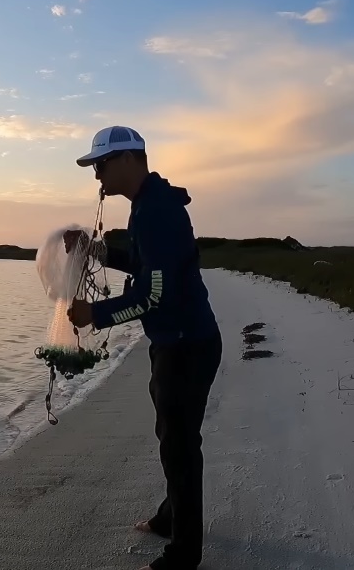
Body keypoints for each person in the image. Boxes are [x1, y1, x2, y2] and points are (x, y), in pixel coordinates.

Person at [62, 125, 223, 570]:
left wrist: (96, 315)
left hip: (186, 345)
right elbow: (145, 263)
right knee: (173, 438)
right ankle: (173, 517)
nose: (97, 176)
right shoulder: (149, 206)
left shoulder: (155, 211)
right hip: (178, 342)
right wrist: (98, 251)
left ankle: (184, 554)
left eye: (101, 164)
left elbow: (155, 294)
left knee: (180, 447)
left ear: (129, 159)